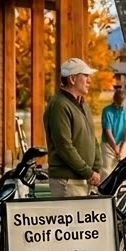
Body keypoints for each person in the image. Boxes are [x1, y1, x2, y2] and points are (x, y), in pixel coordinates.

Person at [43, 57, 102, 198]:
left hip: (82, 179)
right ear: (72, 79)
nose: (89, 81)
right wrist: (88, 172)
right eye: (85, 76)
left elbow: (92, 138)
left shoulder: (83, 104)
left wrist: (95, 168)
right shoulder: (59, 105)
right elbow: (64, 146)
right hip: (68, 181)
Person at [100, 87, 126, 180]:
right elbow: (108, 132)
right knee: (107, 171)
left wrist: (122, 149)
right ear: (114, 100)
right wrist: (116, 149)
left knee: (123, 171)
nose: (119, 107)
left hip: (123, 143)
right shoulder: (107, 111)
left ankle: (122, 189)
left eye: (121, 105)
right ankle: (106, 189)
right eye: (118, 105)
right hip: (108, 144)